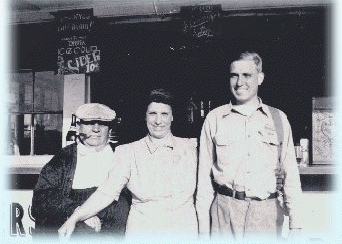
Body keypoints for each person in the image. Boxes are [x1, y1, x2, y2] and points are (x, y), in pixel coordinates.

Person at [58, 89, 198, 241]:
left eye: (164, 114)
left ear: (172, 117)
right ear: (145, 117)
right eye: (152, 114)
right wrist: (73, 219)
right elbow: (107, 192)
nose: (158, 121)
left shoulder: (192, 148)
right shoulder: (127, 151)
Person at [196, 52, 303, 241]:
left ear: (260, 78)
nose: (239, 82)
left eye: (247, 75)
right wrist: (204, 230)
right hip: (224, 213)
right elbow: (204, 180)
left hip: (266, 215)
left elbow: (291, 175)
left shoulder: (279, 118)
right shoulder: (214, 118)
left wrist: (296, 225)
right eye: (234, 75)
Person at [31, 103, 131, 240]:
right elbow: (41, 197)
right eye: (90, 123)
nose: (96, 129)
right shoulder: (64, 158)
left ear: (110, 128)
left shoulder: (123, 154)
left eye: (102, 124)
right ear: (79, 127)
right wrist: (75, 210)